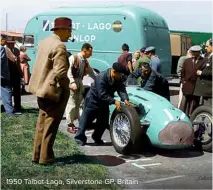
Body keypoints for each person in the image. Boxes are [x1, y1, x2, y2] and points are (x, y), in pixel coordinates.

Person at [27, 17, 72, 165]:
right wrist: (67, 86)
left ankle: (37, 155)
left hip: (41, 89)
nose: (70, 34)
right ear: (62, 29)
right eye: (69, 30)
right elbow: (60, 73)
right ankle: (46, 158)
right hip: (53, 91)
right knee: (50, 125)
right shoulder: (59, 46)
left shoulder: (44, 42)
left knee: (41, 124)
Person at [74, 62, 131, 146]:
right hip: (93, 101)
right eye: (120, 74)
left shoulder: (118, 78)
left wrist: (125, 99)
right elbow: (102, 94)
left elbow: (121, 89)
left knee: (103, 122)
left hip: (104, 103)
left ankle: (96, 137)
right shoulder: (101, 77)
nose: (121, 77)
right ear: (114, 72)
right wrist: (114, 101)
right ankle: (79, 138)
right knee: (85, 120)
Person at [65, 43, 96, 134]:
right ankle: (70, 124)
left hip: (80, 82)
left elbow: (91, 72)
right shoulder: (73, 58)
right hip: (73, 83)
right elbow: (68, 71)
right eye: (89, 52)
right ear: (84, 50)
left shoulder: (85, 61)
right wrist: (72, 82)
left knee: (78, 103)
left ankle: (78, 121)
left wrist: (98, 80)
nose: (91, 54)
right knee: (72, 103)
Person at [180, 45, 204, 116]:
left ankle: (192, 116)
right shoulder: (187, 61)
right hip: (187, 86)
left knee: (194, 104)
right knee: (184, 103)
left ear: (199, 52)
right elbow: (182, 73)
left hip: (196, 86)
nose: (192, 53)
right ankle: (182, 116)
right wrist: (183, 81)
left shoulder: (204, 61)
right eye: (192, 52)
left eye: (194, 52)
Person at [6, 36, 22, 112]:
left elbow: (18, 62)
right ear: (7, 43)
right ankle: (9, 108)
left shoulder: (16, 50)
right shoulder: (4, 50)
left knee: (17, 90)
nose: (12, 44)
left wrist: (20, 72)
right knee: (8, 91)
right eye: (10, 43)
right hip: (7, 73)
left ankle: (17, 106)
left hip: (16, 72)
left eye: (13, 43)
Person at [194, 39, 212, 105]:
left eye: (207, 46)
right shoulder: (208, 56)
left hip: (210, 91)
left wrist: (202, 73)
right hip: (205, 91)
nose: (205, 48)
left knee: (209, 111)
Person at [0, 34, 14, 116]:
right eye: (5, 40)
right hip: (3, 75)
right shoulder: (1, 48)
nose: (6, 42)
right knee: (7, 92)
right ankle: (9, 112)